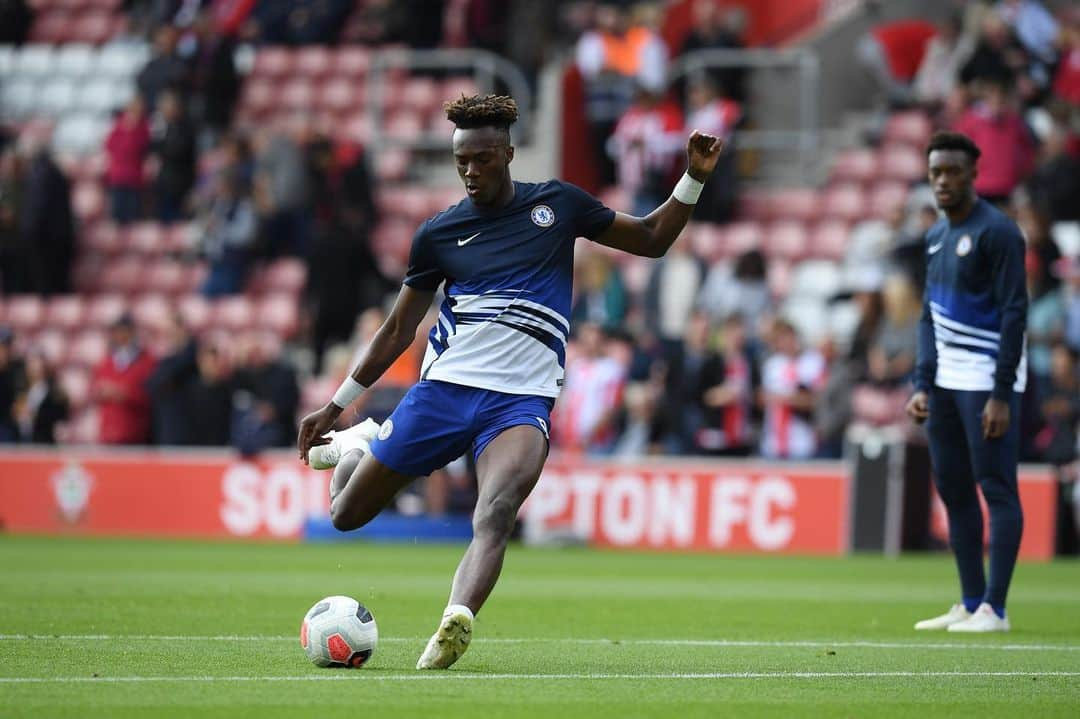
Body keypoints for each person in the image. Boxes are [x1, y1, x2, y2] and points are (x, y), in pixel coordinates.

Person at [296, 94, 723, 669]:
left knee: (495, 511)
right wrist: (338, 406)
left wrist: (692, 179)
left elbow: (651, 240)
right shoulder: (439, 235)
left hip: (519, 403)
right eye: (461, 163)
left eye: (481, 159)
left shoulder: (557, 207)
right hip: (444, 394)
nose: (471, 172)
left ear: (507, 153)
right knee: (346, 515)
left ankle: (455, 621)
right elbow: (399, 328)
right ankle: (363, 442)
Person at [906, 131, 1028, 633]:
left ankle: (995, 609)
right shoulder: (935, 234)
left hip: (985, 377)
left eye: (952, 172)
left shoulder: (999, 232)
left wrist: (1001, 392)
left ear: (974, 174)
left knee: (995, 486)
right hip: (947, 381)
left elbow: (1015, 311)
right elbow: (928, 316)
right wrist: (921, 381)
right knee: (953, 487)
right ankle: (969, 599)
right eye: (935, 172)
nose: (942, 181)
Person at [91, 314, 158, 445]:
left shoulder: (147, 361)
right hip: (109, 433)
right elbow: (95, 391)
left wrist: (123, 394)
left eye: (124, 331)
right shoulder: (106, 362)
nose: (120, 336)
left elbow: (150, 395)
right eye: (117, 331)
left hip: (135, 434)